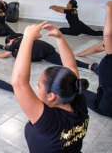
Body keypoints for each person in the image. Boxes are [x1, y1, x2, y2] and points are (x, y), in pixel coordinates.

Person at [11, 21, 89, 152]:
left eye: (38, 85)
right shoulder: (77, 98)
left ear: (51, 96)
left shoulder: (50, 122)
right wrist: (59, 37)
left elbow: (19, 82)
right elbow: (71, 67)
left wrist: (28, 37)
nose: (36, 87)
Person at [0, 35, 99, 75]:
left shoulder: (14, 43)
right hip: (46, 48)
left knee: (15, 54)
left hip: (38, 53)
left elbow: (4, 55)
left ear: (11, 40)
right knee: (63, 60)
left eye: (8, 43)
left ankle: (90, 66)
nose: (8, 45)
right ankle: (91, 66)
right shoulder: (24, 37)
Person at [84, 1, 112, 118]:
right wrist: (82, 53)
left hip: (107, 106)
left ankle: (94, 67)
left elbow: (107, 36)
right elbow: (101, 46)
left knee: (73, 89)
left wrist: (109, 9)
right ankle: (94, 67)